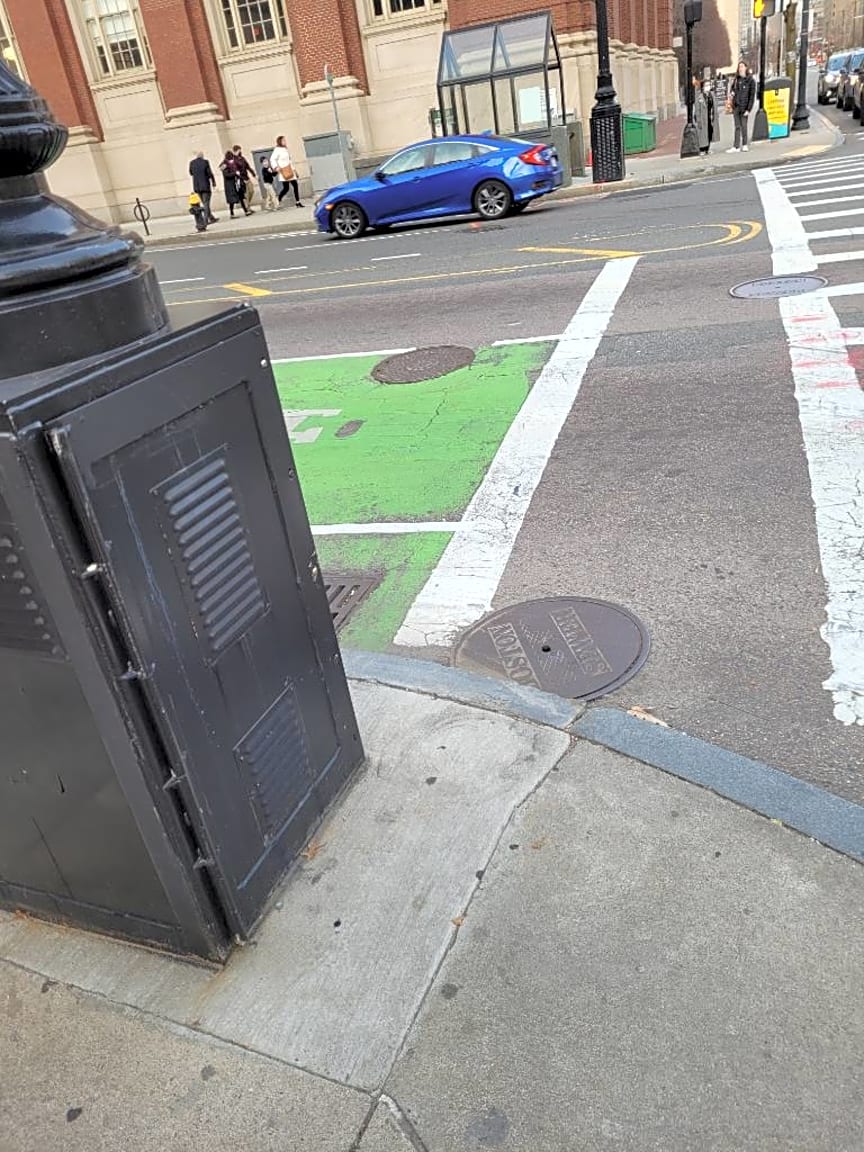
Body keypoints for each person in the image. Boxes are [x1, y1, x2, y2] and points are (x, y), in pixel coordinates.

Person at [727, 61, 756, 153]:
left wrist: (748, 109)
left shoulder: (750, 81)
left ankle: (744, 144)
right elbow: (732, 90)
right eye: (739, 67)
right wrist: (732, 94)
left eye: (742, 66)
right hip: (736, 106)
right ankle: (736, 146)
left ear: (746, 68)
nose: (741, 68)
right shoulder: (736, 79)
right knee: (737, 126)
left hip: (744, 107)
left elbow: (751, 96)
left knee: (744, 126)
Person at [270, 135, 304, 207]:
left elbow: (289, 161)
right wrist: (276, 167)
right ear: (280, 141)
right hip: (283, 171)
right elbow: (272, 159)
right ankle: (279, 198)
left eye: (285, 140)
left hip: (290, 170)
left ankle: (298, 202)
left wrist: (295, 170)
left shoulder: (285, 149)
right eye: (283, 140)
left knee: (295, 185)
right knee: (286, 188)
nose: (285, 141)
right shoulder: (277, 150)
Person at [219, 149, 252, 218]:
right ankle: (232, 213)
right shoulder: (224, 165)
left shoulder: (234, 163)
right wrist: (235, 173)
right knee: (232, 201)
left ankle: (246, 211)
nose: (232, 161)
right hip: (230, 185)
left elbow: (240, 169)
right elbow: (226, 175)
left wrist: (241, 177)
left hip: (237, 183)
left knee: (241, 197)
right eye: (230, 159)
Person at [188, 151, 217, 223]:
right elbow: (209, 173)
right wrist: (213, 182)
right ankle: (205, 220)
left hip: (197, 186)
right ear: (202, 156)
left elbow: (191, 173)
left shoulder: (192, 163)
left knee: (204, 203)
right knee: (206, 203)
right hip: (205, 185)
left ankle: (211, 217)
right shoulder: (205, 162)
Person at [232, 144, 256, 210]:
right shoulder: (233, 160)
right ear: (235, 151)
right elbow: (236, 171)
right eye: (239, 150)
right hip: (241, 179)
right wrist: (242, 179)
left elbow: (248, 167)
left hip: (246, 177)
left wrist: (254, 174)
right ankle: (247, 207)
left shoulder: (242, 158)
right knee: (246, 194)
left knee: (251, 191)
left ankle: (247, 205)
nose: (240, 152)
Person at [693, 75, 709, 155]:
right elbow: (697, 107)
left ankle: (706, 148)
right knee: (701, 133)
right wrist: (698, 119)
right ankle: (702, 148)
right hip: (701, 118)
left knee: (706, 133)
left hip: (706, 117)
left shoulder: (707, 95)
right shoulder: (699, 95)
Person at [702, 78, 717, 153]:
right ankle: (703, 148)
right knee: (704, 133)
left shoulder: (711, 95)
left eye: (709, 85)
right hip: (703, 117)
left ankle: (707, 148)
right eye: (706, 85)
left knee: (710, 131)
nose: (708, 87)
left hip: (709, 116)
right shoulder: (701, 95)